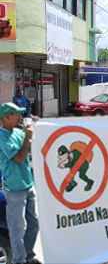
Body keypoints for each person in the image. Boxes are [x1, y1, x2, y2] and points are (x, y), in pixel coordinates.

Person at [0, 103, 41, 264]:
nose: (19, 117)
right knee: (17, 228)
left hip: (27, 184)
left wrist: (37, 126)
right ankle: (19, 260)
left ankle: (29, 256)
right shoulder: (2, 137)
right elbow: (19, 158)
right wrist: (28, 137)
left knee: (34, 224)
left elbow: (30, 145)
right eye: (16, 114)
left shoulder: (17, 132)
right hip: (14, 189)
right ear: (6, 117)